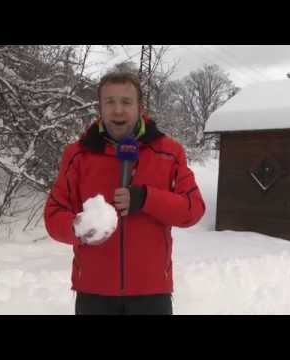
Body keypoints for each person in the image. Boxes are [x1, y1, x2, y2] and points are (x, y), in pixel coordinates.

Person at [44, 70, 205, 315]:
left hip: (151, 293)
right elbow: (54, 215)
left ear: (140, 107)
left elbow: (193, 208)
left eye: (126, 102)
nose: (118, 110)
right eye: (110, 102)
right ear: (100, 107)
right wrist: (78, 227)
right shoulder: (77, 155)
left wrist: (147, 199)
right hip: (94, 293)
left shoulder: (169, 152)